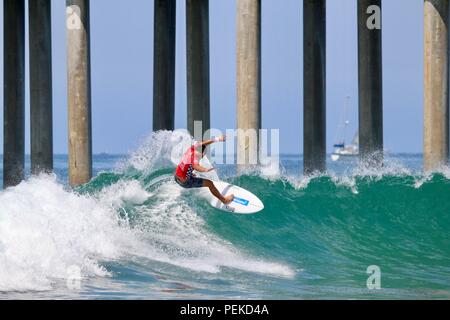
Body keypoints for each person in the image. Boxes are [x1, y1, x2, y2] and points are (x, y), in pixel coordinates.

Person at [174, 136, 234, 205]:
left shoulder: (192, 148)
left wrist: (217, 139)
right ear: (202, 153)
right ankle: (224, 200)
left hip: (176, 177)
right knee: (210, 183)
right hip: (185, 182)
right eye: (204, 154)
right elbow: (196, 166)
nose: (203, 156)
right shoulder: (195, 159)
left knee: (188, 169)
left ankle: (188, 174)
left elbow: (204, 143)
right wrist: (205, 169)